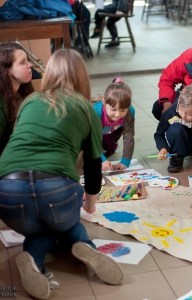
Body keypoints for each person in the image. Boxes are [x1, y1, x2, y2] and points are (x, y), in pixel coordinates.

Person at [0, 49, 123, 300]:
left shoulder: (28, 102)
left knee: (40, 228)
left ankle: (33, 258)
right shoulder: (86, 108)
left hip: (7, 192)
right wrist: (90, 203)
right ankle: (82, 245)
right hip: (55, 188)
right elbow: (92, 166)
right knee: (64, 222)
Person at [93, 77, 135, 172]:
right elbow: (92, 139)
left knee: (111, 149)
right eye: (113, 110)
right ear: (104, 102)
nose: (118, 114)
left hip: (108, 130)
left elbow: (129, 137)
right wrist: (102, 160)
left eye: (123, 110)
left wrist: (125, 161)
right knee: (89, 151)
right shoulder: (95, 112)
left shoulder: (129, 113)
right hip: (89, 133)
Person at [0, 42, 34, 155]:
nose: (30, 65)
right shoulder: (1, 102)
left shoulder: (21, 92)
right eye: (22, 62)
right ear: (7, 71)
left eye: (27, 60)